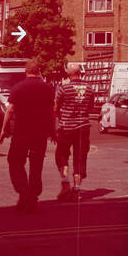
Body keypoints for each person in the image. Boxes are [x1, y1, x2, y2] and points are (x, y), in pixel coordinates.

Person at [0, 59, 55, 210]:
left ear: (26, 71)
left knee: (15, 161)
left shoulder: (18, 87)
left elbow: (10, 110)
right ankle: (33, 194)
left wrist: (4, 130)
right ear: (38, 71)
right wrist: (53, 131)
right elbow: (51, 112)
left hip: (21, 132)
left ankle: (24, 192)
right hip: (40, 133)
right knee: (36, 166)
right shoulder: (48, 88)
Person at [53, 62, 91, 200]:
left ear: (68, 74)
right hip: (83, 128)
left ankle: (65, 184)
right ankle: (77, 190)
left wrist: (60, 118)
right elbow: (90, 107)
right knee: (80, 159)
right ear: (79, 72)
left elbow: (56, 107)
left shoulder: (64, 88)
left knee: (61, 155)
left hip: (67, 128)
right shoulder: (89, 88)